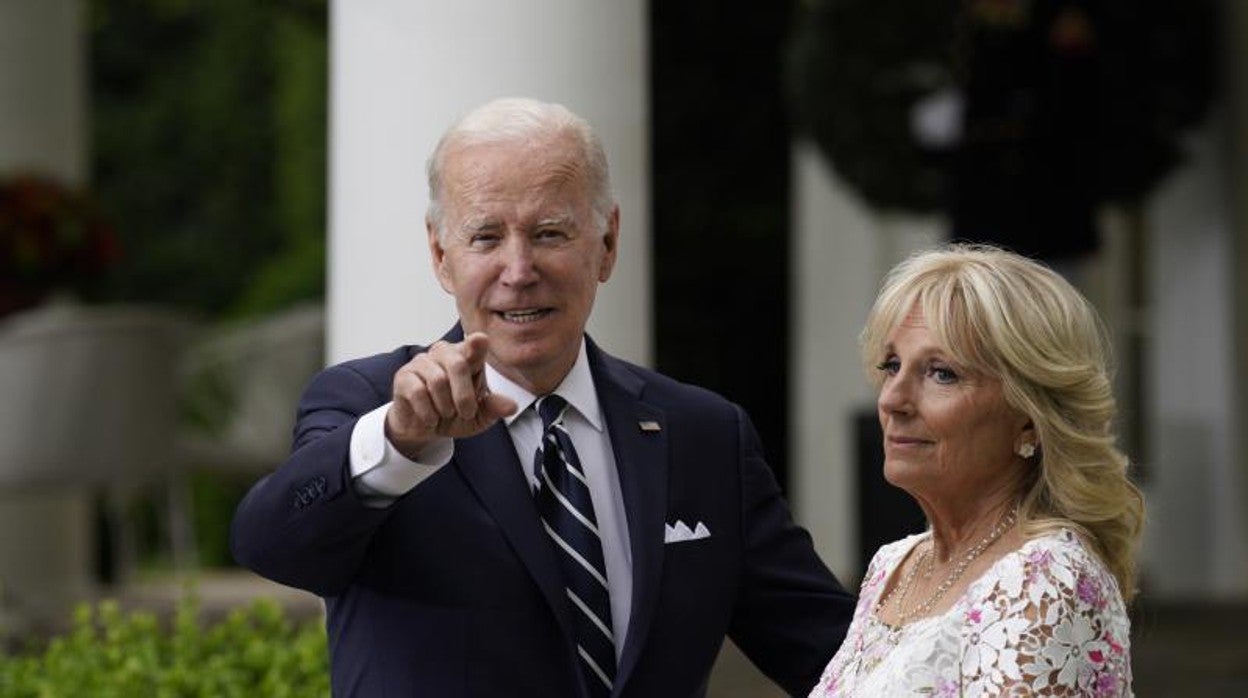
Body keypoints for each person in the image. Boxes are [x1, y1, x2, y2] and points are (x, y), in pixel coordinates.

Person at [231, 97, 854, 697]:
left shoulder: (704, 434)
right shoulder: (369, 407)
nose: (520, 269)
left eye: (551, 233)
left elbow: (837, 658)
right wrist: (398, 443)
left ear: (607, 244)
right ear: (440, 254)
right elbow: (274, 546)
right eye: (485, 238)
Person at [810, 244, 1144, 696]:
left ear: (1029, 415)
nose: (892, 399)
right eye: (892, 365)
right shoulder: (895, 565)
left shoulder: (1047, 580)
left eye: (941, 373)